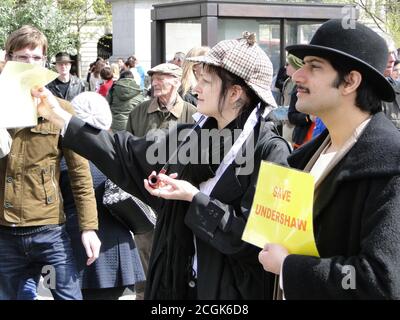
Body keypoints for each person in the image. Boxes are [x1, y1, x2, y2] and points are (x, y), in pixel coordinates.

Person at [34, 31, 291, 299]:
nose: (194, 88)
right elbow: (125, 152)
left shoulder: (271, 151)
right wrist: (62, 118)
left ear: (236, 93)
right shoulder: (191, 136)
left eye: (205, 81)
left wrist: (193, 198)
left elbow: (258, 244)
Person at [258, 19, 400, 299]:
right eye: (302, 64)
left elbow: (382, 282)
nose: (298, 76)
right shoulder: (306, 157)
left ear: (350, 81)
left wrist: (288, 267)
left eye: (314, 67)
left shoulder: (390, 166)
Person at [0, 25, 100, 300]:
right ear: (8, 60)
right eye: (22, 57)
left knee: (67, 296)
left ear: (45, 61)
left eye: (36, 58)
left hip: (48, 232)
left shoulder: (61, 109)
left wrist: (89, 227)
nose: (30, 64)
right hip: (4, 233)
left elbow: (81, 175)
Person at [125, 62, 196, 299]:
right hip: (144, 196)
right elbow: (128, 153)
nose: (155, 82)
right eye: (153, 78)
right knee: (145, 253)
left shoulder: (192, 113)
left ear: (176, 82)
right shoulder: (138, 112)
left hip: (178, 197)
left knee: (177, 254)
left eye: (162, 78)